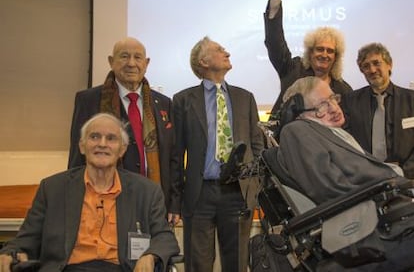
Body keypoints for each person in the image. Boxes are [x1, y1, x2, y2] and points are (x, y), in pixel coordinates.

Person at [0, 113, 179, 272]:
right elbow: (25, 239)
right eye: (94, 137)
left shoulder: (146, 191)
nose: (102, 144)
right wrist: (9, 253)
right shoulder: (52, 188)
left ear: (122, 150)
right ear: (82, 146)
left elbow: (165, 237)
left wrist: (150, 256)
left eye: (111, 138)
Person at [274, 76, 414, 271]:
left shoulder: (336, 133)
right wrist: (389, 195)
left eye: (332, 98)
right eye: (322, 106)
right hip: (375, 228)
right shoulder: (296, 131)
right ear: (298, 113)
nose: (333, 107)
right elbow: (329, 190)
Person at [172, 37, 264, 272]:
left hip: (237, 193)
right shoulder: (183, 100)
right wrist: (174, 199)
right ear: (203, 61)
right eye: (220, 50)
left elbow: (257, 146)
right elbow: (175, 154)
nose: (228, 53)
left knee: (237, 263)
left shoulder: (246, 98)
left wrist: (254, 188)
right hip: (199, 193)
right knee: (198, 264)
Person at [67, 37, 180, 223]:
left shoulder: (163, 103)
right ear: (111, 62)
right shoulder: (88, 100)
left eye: (138, 57)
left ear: (147, 63)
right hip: (104, 201)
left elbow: (173, 157)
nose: (131, 63)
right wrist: (76, 201)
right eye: (124, 57)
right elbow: (77, 156)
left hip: (154, 202)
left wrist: (174, 203)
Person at [264, 0, 352, 118]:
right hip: (286, 138)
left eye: (330, 51)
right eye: (320, 49)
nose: (324, 54)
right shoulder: (293, 70)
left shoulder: (343, 90)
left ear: (336, 57)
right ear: (310, 52)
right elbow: (274, 42)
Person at [341, 43, 414, 178]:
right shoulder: (350, 101)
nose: (372, 70)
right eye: (366, 66)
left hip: (408, 177)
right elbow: (345, 140)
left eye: (376, 63)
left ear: (389, 64)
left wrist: (404, 172)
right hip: (365, 177)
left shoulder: (411, 100)